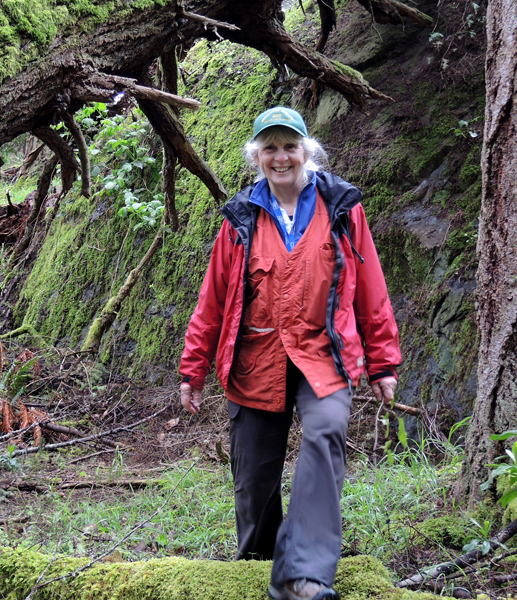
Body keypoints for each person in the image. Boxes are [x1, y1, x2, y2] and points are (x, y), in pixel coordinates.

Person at [178, 107, 401, 600]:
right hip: (256, 359)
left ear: (307, 151)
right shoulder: (240, 218)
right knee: (255, 480)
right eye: (270, 148)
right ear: (257, 156)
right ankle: (256, 569)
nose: (281, 157)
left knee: (325, 435)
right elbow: (212, 299)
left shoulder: (342, 207)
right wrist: (192, 369)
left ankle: (304, 576)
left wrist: (383, 361)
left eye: (289, 146)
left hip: (326, 354)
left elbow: (370, 288)